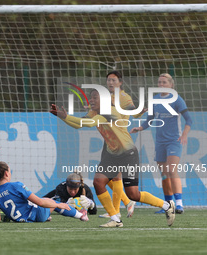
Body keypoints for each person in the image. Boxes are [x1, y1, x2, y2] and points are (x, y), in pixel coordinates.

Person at [50, 89, 175, 228]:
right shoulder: (94, 112)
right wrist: (63, 117)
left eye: (94, 98)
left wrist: (66, 117)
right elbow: (78, 124)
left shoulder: (108, 112)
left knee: (133, 194)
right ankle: (115, 219)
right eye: (91, 98)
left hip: (128, 154)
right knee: (98, 182)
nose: (91, 100)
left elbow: (88, 123)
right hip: (112, 155)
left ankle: (167, 206)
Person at [130, 73, 192, 214]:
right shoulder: (155, 100)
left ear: (171, 84)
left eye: (164, 82)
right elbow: (149, 120)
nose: (161, 85)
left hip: (174, 141)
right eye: (160, 82)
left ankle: (179, 204)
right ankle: (168, 205)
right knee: (164, 174)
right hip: (160, 143)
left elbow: (189, 120)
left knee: (171, 170)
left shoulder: (177, 100)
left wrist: (184, 134)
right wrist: (140, 127)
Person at [98, 70, 147, 219]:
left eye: (114, 80)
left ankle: (116, 210)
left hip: (120, 142)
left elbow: (133, 110)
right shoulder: (108, 97)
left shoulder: (123, 97)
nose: (110, 83)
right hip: (110, 140)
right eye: (108, 80)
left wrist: (140, 112)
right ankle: (126, 203)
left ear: (120, 83)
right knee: (106, 178)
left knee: (115, 178)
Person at [0, 161, 89, 223]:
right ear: (7, 174)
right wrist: (58, 204)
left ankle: (48, 216)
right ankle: (81, 215)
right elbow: (39, 202)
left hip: (22, 220)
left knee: (46, 201)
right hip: (36, 215)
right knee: (50, 201)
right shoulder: (17, 185)